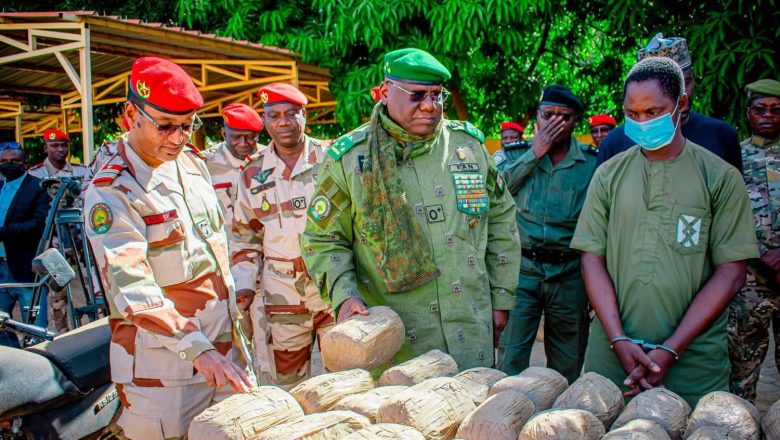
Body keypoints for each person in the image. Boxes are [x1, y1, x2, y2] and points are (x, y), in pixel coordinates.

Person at [301, 48, 521, 370]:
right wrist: (346, 296)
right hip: (399, 343)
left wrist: (501, 298)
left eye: (437, 94)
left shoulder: (468, 147)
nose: (430, 106)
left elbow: (501, 219)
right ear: (387, 91)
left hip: (470, 328)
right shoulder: (349, 159)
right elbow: (324, 240)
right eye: (417, 95)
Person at [570, 57, 757, 407]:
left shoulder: (718, 177)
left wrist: (672, 348)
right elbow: (591, 259)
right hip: (611, 358)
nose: (641, 123)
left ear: (681, 105)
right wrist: (618, 339)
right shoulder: (609, 175)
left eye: (653, 112)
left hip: (692, 362)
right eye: (632, 113)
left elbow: (731, 273)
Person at [83, 56, 253, 439]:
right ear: (131, 114)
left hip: (224, 355)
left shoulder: (192, 165)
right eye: (166, 126)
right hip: (165, 376)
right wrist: (198, 349)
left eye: (187, 125)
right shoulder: (113, 191)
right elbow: (133, 289)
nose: (178, 137)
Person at [230, 83, 333, 388]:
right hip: (282, 294)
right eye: (274, 115)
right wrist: (245, 286)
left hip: (331, 285)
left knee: (344, 374)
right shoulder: (252, 173)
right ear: (265, 121)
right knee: (288, 383)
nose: (283, 122)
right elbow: (245, 236)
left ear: (305, 115)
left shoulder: (331, 159)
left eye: (291, 114)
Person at [495, 85, 597, 382]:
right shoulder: (515, 154)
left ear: (575, 120)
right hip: (522, 270)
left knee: (567, 359)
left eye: (562, 116)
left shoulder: (591, 163)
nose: (553, 122)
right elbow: (494, 193)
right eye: (547, 114)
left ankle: (560, 420)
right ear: (536, 117)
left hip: (569, 272)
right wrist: (534, 154)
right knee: (511, 354)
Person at [596, 34, 742, 171]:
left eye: (686, 83)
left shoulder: (722, 136)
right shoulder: (614, 144)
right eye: (668, 90)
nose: (681, 95)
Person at [729, 78, 780, 402]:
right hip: (750, 280)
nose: (768, 115)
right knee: (741, 368)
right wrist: (764, 254)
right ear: (748, 112)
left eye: (776, 110)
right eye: (760, 109)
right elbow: (726, 215)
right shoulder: (735, 158)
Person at [0, 143, 49, 347]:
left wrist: (5, 232)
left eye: (14, 161)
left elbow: (38, 224)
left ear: (24, 162)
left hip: (25, 268)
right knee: (2, 326)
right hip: (0, 268)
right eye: (3, 161)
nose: (9, 165)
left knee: (35, 329)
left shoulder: (37, 187)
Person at [205, 103, 264, 227]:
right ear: (224, 134)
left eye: (250, 137)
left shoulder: (270, 159)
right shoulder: (205, 163)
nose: (243, 143)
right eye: (236, 137)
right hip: (227, 243)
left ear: (258, 136)